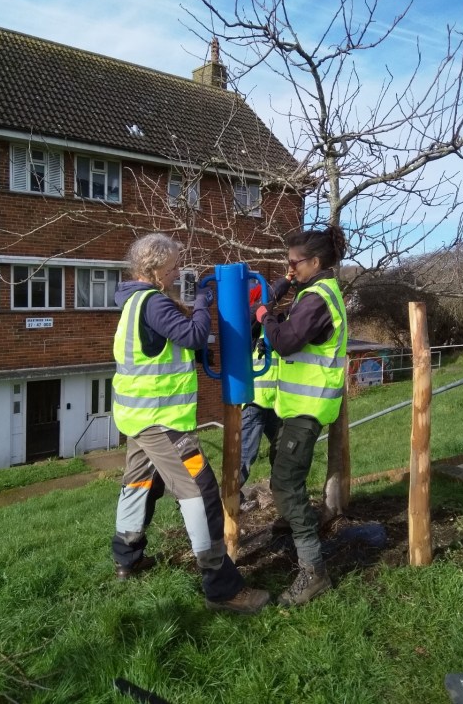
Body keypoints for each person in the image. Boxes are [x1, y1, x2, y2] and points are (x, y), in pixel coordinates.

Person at [111, 233, 270, 614]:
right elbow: (196, 332)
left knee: (139, 483)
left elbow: (169, 346)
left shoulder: (133, 302)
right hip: (160, 421)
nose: (178, 272)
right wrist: (202, 302)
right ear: (154, 270)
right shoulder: (151, 302)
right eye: (174, 267)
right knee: (200, 492)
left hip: (138, 417)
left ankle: (127, 559)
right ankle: (222, 588)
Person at [255, 225, 348, 606]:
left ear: (316, 261)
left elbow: (286, 341)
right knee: (283, 468)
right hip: (297, 406)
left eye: (294, 263)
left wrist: (265, 316)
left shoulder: (318, 299)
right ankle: (291, 525)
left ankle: (313, 571)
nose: (289, 269)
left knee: (285, 482)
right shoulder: (314, 292)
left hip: (307, 409)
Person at [239, 275, 294, 510]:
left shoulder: (276, 323)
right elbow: (263, 304)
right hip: (254, 402)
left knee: (282, 451)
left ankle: (280, 495)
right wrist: (285, 281)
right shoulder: (249, 324)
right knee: (244, 456)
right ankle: (229, 501)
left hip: (277, 402)